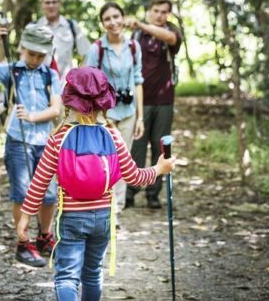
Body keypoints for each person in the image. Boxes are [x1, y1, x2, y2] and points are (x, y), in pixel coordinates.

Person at [16, 66, 176, 300]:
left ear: (69, 101)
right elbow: (134, 177)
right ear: (104, 102)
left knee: (67, 277)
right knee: (92, 273)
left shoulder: (58, 138)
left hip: (71, 218)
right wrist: (159, 168)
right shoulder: (112, 135)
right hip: (102, 218)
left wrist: (25, 217)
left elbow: (39, 182)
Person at [0, 23, 63, 267]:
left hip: (44, 142)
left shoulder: (50, 74)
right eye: (31, 53)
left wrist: (33, 116)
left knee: (48, 193)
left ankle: (45, 236)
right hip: (18, 141)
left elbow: (56, 108)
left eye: (40, 55)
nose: (35, 59)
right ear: (22, 48)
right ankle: (24, 243)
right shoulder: (13, 70)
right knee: (23, 193)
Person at [84, 2, 144, 214]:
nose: (113, 22)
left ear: (123, 17)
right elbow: (88, 82)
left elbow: (138, 81)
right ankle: (101, 206)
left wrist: (140, 118)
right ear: (102, 23)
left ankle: (116, 209)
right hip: (105, 113)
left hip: (128, 112)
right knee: (104, 159)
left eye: (116, 16)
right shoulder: (97, 49)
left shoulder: (134, 47)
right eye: (107, 19)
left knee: (123, 159)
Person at [124, 0, 182, 209]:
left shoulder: (171, 31)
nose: (159, 15)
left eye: (163, 12)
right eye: (156, 11)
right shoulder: (137, 34)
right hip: (140, 99)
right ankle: (131, 190)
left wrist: (140, 24)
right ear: (149, 11)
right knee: (137, 145)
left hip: (164, 99)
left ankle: (154, 193)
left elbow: (171, 39)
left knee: (161, 145)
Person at [34, 0, 91, 79]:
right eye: (47, 2)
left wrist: (79, 76)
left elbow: (88, 54)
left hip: (66, 85)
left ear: (60, 3)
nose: (51, 6)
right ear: (42, 4)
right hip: (39, 84)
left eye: (54, 2)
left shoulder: (71, 26)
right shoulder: (34, 27)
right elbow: (24, 58)